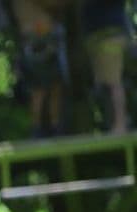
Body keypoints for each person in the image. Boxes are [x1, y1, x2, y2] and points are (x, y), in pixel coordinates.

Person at [11, 0, 70, 137]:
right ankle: (41, 130)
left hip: (42, 44)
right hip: (38, 44)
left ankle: (50, 128)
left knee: (51, 90)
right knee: (41, 91)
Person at [81, 0, 130, 134]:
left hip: (110, 33)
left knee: (113, 81)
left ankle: (120, 124)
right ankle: (112, 124)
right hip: (97, 35)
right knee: (102, 83)